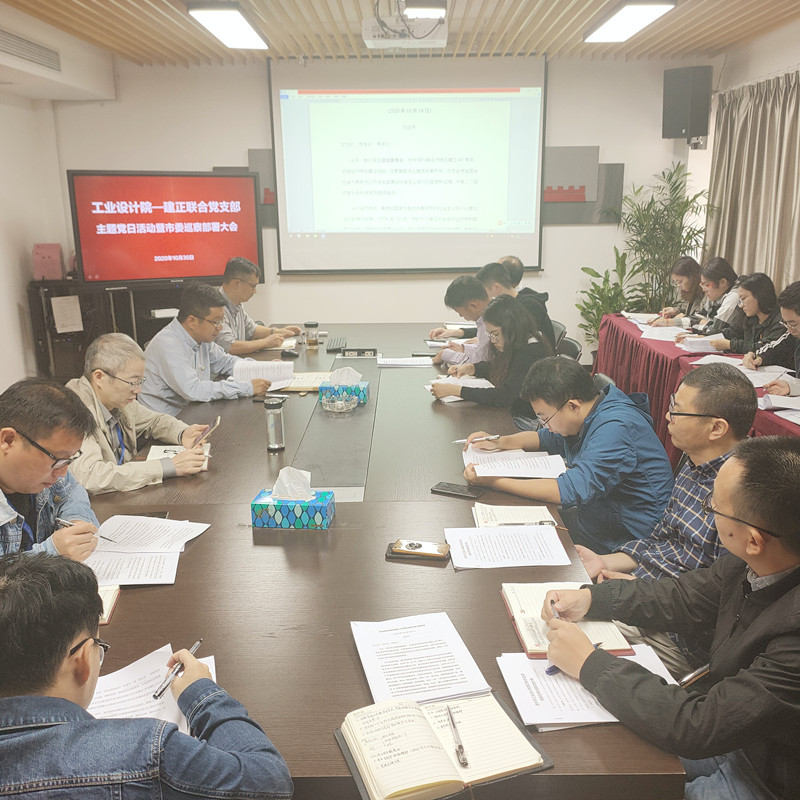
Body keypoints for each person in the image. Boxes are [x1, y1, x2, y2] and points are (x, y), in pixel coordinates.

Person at [542, 435, 800, 800]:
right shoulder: (750, 564)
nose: (708, 510)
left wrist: (589, 663)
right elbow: (680, 596)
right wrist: (591, 599)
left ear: (754, 540)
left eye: (714, 507)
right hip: (736, 732)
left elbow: (699, 726)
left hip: (769, 776)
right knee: (598, 758)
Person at [0, 552, 294, 799]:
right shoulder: (146, 752)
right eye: (99, 646)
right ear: (82, 661)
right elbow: (269, 780)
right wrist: (204, 695)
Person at [574, 363, 757, 675]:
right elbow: (662, 540)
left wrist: (641, 593)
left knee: (558, 639)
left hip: (675, 635)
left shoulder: (742, 495)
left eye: (679, 411)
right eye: (672, 404)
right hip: (645, 597)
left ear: (716, 428)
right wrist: (604, 561)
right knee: (549, 615)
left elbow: (720, 603)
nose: (668, 416)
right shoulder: (695, 462)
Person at [463, 356, 674, 553]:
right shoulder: (591, 410)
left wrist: (494, 481)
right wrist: (499, 441)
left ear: (573, 406)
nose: (545, 425)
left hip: (630, 540)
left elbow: (569, 490)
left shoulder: (616, 427)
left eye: (545, 418)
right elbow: (546, 438)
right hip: (598, 519)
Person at [67, 333, 210, 494]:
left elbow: (155, 421)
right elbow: (92, 476)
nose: (138, 390)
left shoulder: (118, 400)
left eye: (140, 381)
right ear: (99, 377)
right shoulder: (73, 411)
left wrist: (182, 433)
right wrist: (168, 466)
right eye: (133, 382)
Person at [0, 379, 98, 559]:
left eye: (68, 460)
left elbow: (73, 492)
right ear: (8, 440)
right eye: (58, 459)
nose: (62, 472)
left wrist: (76, 522)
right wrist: (52, 552)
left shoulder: (44, 475)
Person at [139, 282, 271, 416]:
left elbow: (226, 362)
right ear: (192, 321)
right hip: (165, 421)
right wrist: (247, 387)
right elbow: (194, 390)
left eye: (222, 321)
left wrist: (265, 368)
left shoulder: (201, 338)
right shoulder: (168, 344)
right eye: (216, 322)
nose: (220, 327)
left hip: (191, 411)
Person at [430, 295, 551, 425]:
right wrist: (472, 368)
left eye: (495, 334)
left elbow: (505, 396)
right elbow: (500, 366)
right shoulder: (517, 341)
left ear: (511, 327)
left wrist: (457, 391)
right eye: (490, 334)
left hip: (526, 420)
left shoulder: (529, 351)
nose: (492, 340)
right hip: (512, 414)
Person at [216, 257, 301, 355]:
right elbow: (230, 347)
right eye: (253, 286)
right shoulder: (215, 306)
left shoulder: (237, 304)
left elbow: (252, 329)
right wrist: (266, 342)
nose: (255, 291)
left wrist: (279, 331)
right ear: (237, 283)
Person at [475, 261, 555, 348]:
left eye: (484, 291)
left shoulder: (529, 306)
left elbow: (516, 341)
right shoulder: (509, 305)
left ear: (496, 287)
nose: (484, 296)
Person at [713, 272, 789, 360]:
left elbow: (765, 348)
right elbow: (732, 332)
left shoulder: (782, 320)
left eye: (743, 298)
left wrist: (730, 345)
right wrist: (706, 336)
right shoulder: (750, 317)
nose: (741, 305)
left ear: (759, 295)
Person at [428, 276, 491, 367]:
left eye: (460, 312)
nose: (460, 316)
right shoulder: (485, 317)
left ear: (473, 306)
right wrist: (463, 348)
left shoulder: (492, 321)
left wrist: (445, 355)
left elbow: (479, 362)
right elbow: (482, 350)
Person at [746, 280, 800, 382]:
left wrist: (793, 387)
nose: (789, 330)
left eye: (793, 324)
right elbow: (777, 347)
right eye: (785, 323)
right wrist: (757, 357)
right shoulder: (794, 335)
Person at [681, 257, 741, 337]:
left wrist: (696, 326)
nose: (704, 289)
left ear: (722, 282)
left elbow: (713, 330)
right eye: (702, 284)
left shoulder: (734, 296)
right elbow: (699, 316)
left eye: (706, 285)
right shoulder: (717, 292)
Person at [650, 256, 704, 327]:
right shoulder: (690, 291)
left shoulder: (707, 292)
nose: (678, 286)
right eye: (676, 283)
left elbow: (699, 319)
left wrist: (669, 322)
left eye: (680, 282)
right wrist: (676, 311)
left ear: (692, 277)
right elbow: (687, 310)